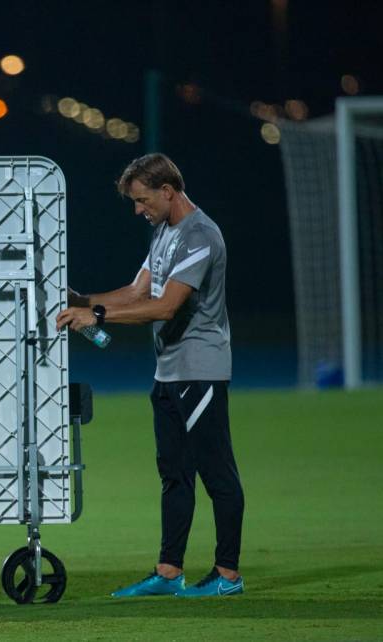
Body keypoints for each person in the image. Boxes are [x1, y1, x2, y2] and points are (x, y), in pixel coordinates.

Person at [56, 153, 245, 597]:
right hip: (169, 370)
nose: (138, 210)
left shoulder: (200, 235)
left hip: (201, 370)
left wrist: (97, 317)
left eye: (142, 200)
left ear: (167, 190)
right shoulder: (164, 231)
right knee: (174, 472)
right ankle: (168, 571)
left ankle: (228, 575)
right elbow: (138, 290)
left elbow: (164, 306)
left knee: (217, 474)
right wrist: (83, 301)